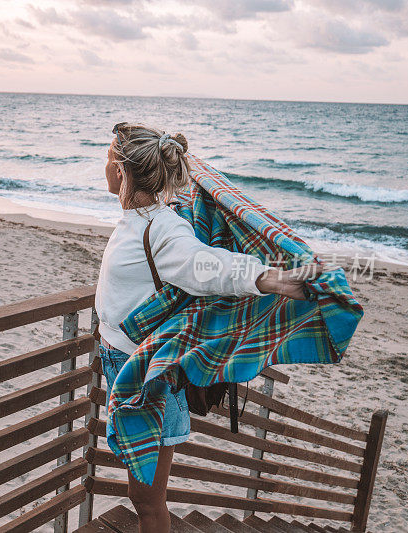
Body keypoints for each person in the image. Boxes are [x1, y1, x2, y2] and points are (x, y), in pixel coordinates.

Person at [95, 122, 322, 533]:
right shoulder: (138, 217)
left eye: (109, 158)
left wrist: (273, 279)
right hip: (122, 363)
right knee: (141, 494)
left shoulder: (163, 228)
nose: (104, 165)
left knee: (146, 500)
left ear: (122, 172)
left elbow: (209, 265)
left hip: (149, 375)